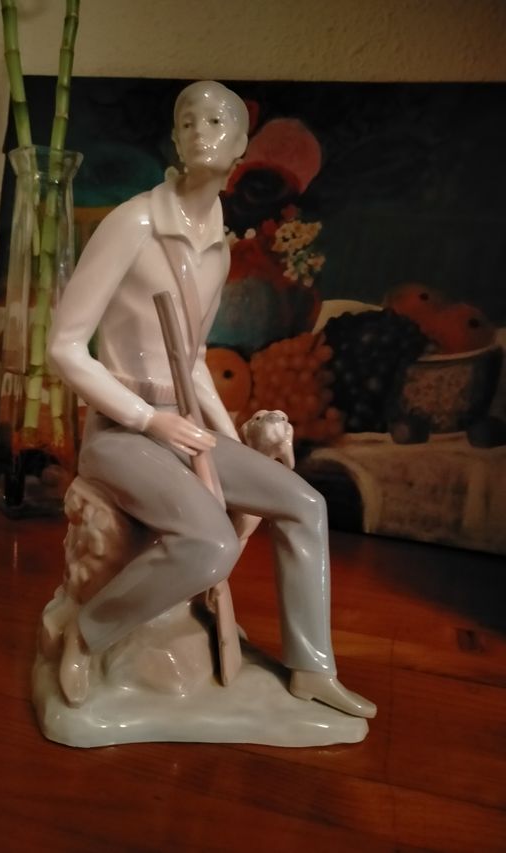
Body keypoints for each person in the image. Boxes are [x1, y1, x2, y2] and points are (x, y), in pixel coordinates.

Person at [48, 81, 376, 718]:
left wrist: (228, 437)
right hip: (122, 430)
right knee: (212, 542)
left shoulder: (218, 248)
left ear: (241, 144)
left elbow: (193, 359)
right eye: (188, 120)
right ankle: (86, 633)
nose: (201, 130)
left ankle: (311, 667)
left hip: (187, 425)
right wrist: (149, 420)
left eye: (217, 120)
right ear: (175, 139)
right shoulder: (134, 223)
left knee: (304, 503)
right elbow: (64, 347)